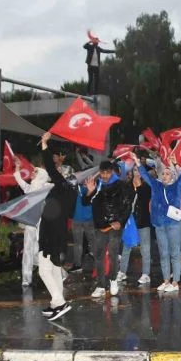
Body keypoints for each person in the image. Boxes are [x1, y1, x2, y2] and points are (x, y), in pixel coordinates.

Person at [34, 133, 77, 320]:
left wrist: (44, 145)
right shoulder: (71, 190)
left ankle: (60, 302)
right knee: (53, 268)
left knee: (44, 269)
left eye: (60, 171)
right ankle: (55, 304)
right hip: (58, 231)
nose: (57, 172)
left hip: (51, 232)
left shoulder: (61, 186)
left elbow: (50, 167)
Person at [133, 153, 181, 293]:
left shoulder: (177, 187)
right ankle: (166, 281)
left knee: (175, 253)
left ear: (172, 176)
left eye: (168, 174)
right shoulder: (156, 185)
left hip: (174, 224)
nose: (164, 176)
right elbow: (145, 175)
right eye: (163, 173)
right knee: (163, 254)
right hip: (159, 224)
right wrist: (137, 161)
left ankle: (175, 282)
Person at [83, 160, 132, 298]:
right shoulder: (97, 185)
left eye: (107, 173)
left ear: (112, 171)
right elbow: (85, 202)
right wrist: (89, 192)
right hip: (100, 226)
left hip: (115, 226)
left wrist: (120, 222)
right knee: (98, 255)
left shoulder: (121, 185)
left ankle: (113, 279)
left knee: (112, 254)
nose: (105, 175)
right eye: (102, 173)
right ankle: (100, 285)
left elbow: (128, 206)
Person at [13, 157, 51, 286]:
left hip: (41, 224)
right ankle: (26, 278)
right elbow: (21, 182)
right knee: (28, 250)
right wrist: (17, 168)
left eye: (35, 172)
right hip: (30, 223)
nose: (32, 174)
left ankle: (56, 273)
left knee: (38, 250)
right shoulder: (31, 188)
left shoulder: (47, 188)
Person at [121, 166, 152, 285]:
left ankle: (145, 274)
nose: (137, 173)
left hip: (143, 221)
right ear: (131, 172)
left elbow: (145, 200)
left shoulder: (146, 187)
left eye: (139, 170)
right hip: (130, 222)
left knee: (145, 249)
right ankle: (122, 271)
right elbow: (125, 202)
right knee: (126, 247)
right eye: (135, 170)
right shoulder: (127, 186)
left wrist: (138, 187)